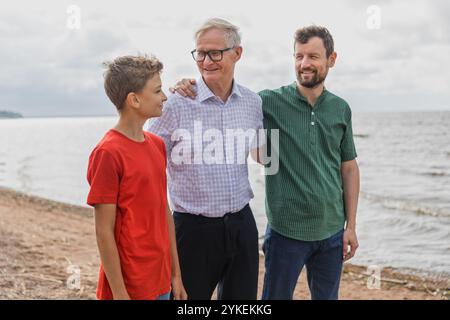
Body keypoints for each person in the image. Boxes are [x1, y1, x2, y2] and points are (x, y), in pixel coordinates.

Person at [172, 25, 360, 300]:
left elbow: (349, 168)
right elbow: (224, 95)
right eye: (299, 56)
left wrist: (350, 226)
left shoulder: (341, 108)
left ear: (331, 59)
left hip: (332, 233)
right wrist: (187, 83)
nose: (304, 63)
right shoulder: (267, 101)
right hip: (286, 233)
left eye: (313, 56)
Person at [147, 18, 264, 300]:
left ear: (237, 53)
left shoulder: (252, 102)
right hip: (192, 230)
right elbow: (149, 167)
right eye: (200, 53)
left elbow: (262, 154)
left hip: (242, 223)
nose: (206, 60)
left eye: (215, 53)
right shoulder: (174, 103)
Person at [87, 55, 187, 300]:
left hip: (161, 280)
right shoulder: (107, 153)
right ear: (134, 99)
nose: (164, 97)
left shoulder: (157, 145)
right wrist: (120, 294)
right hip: (129, 286)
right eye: (157, 90)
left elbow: (165, 212)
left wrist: (176, 275)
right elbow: (104, 232)